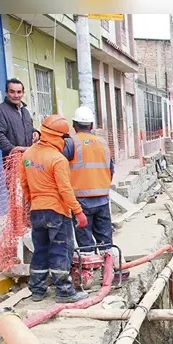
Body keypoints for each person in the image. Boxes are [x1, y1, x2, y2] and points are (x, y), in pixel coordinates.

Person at [21, 114, 89, 304]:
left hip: (37, 210)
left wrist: (33, 203)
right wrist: (78, 212)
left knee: (40, 250)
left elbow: (24, 184)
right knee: (61, 249)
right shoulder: (57, 159)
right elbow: (65, 189)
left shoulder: (28, 155)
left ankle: (37, 290)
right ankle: (64, 291)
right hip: (57, 211)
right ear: (60, 137)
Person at [62, 106, 115, 253]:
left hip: (81, 201)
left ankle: (90, 265)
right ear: (91, 125)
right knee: (105, 242)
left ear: (74, 124)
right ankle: (109, 264)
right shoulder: (103, 143)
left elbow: (59, 168)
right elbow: (111, 170)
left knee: (85, 244)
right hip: (102, 199)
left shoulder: (71, 143)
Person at [0, 79, 39, 159]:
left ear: (23, 93)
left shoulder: (25, 111)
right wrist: (13, 149)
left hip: (29, 158)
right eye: (12, 92)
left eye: (19, 92)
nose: (16, 95)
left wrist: (35, 133)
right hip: (13, 159)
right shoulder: (0, 111)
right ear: (6, 93)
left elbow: (29, 128)